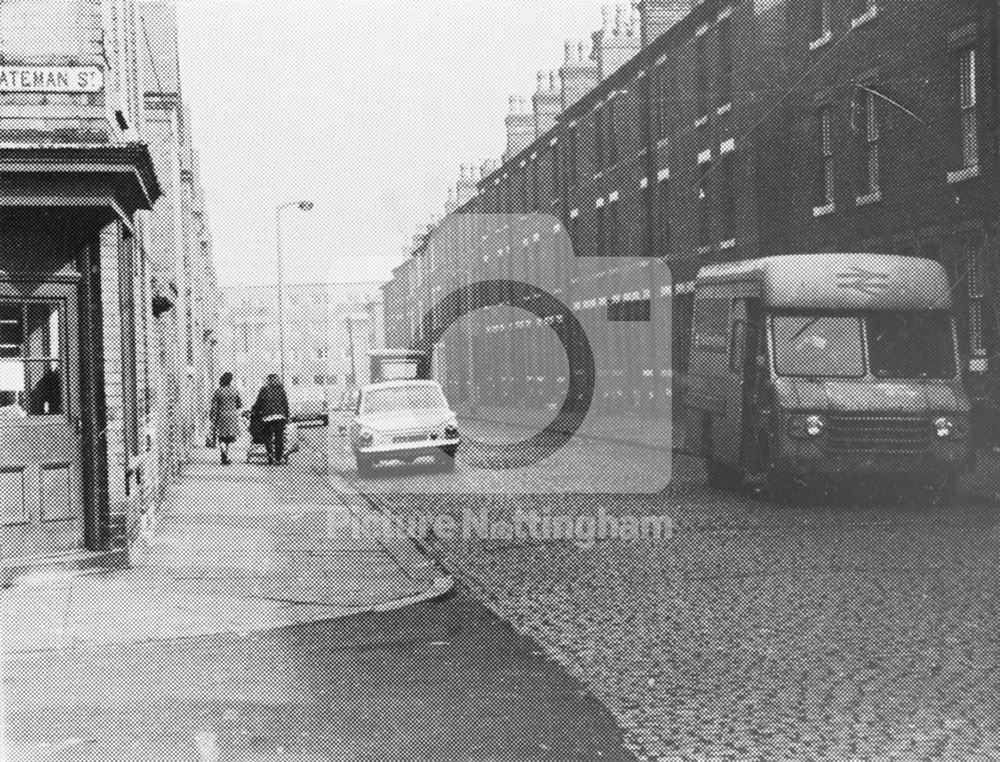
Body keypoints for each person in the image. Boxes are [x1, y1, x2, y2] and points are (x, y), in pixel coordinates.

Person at [253, 373, 290, 465]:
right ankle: (278, 457)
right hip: (280, 416)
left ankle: (270, 455)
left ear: (268, 380)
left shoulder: (264, 389)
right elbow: (285, 403)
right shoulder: (281, 390)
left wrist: (254, 411)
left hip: (267, 417)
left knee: (267, 436)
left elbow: (259, 403)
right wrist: (287, 416)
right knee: (279, 437)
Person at [209, 372, 242, 465]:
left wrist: (212, 416)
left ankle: (223, 455)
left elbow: (214, 406)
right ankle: (226, 455)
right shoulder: (234, 390)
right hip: (232, 416)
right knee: (228, 438)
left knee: (221, 436)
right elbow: (239, 404)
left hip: (221, 416)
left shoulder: (218, 391)